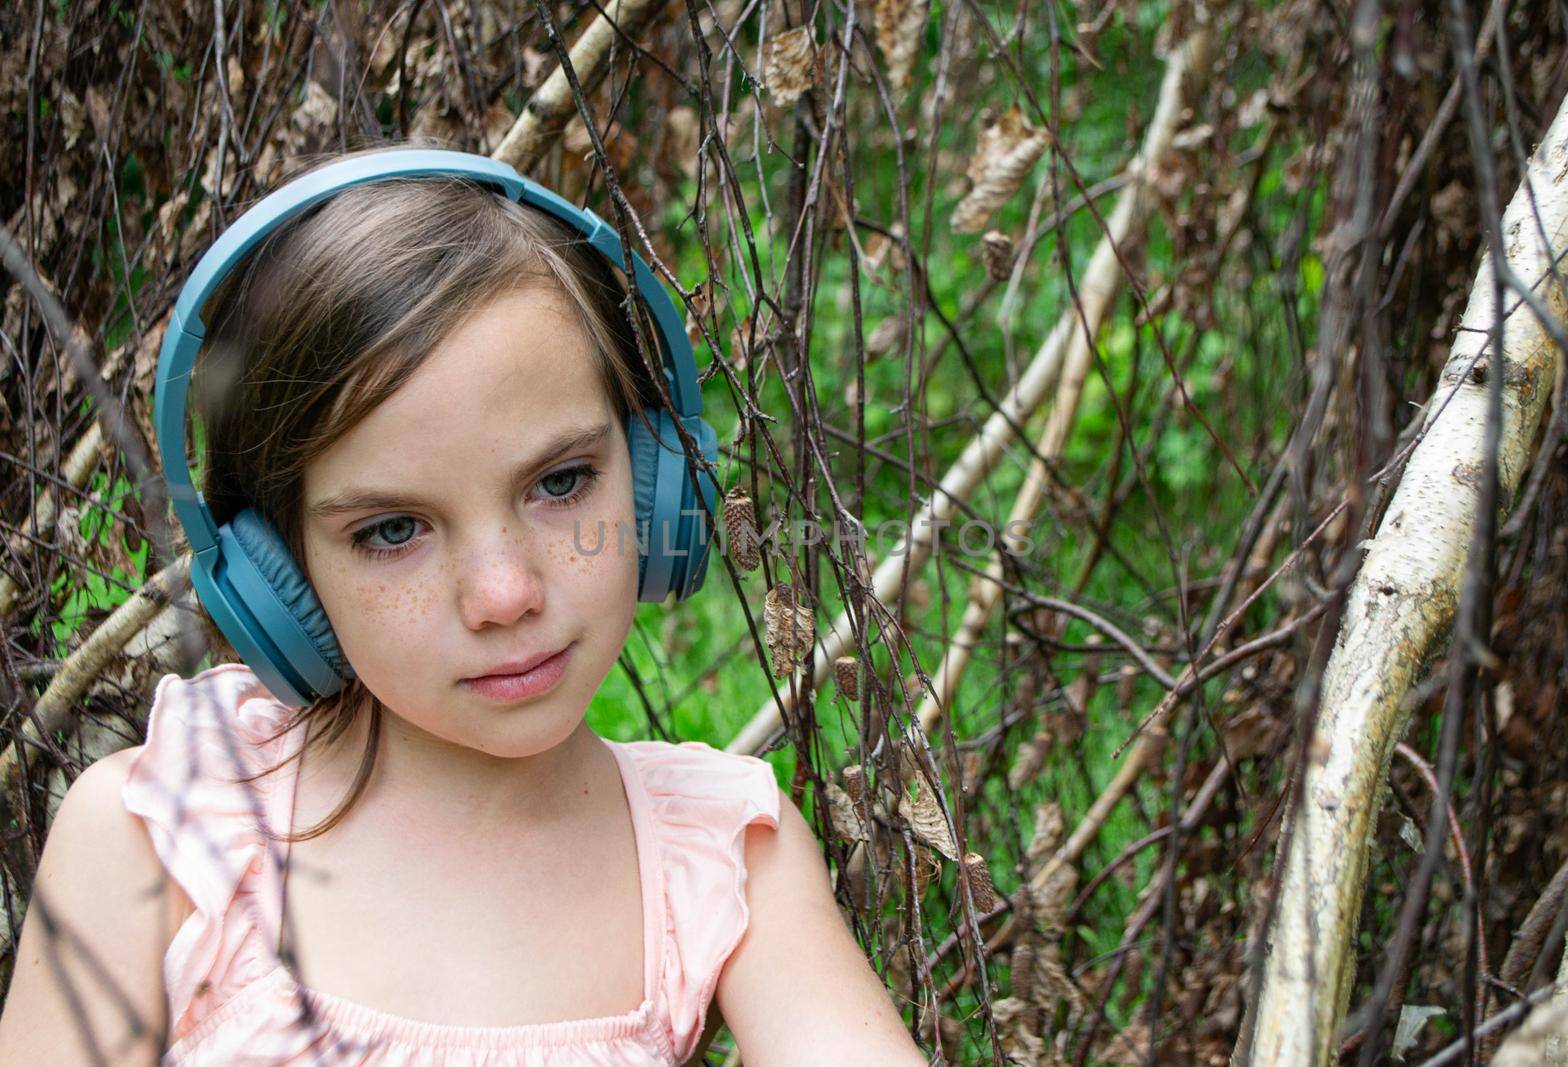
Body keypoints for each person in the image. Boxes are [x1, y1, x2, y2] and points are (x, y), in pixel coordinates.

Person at [0, 144, 929, 1066]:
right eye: (394, 530)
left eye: (561, 481)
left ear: (658, 486)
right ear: (277, 574)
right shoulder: (164, 837)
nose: (504, 594)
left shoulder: (721, 863)